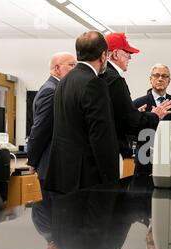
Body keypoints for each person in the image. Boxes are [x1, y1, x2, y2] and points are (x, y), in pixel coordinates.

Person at [44, 31, 119, 194]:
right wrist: (111, 178)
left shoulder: (63, 82)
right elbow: (101, 135)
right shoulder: (94, 83)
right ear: (103, 56)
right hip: (86, 178)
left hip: (62, 175)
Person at [99, 32, 171, 158]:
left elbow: (115, 115)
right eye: (127, 53)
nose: (130, 58)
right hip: (114, 150)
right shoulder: (114, 79)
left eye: (165, 76)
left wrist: (134, 114)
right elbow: (128, 122)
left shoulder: (102, 75)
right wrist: (155, 115)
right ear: (116, 54)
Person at [27, 52, 77, 196]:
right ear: (57, 68)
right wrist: (32, 160)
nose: (76, 69)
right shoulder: (52, 91)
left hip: (54, 167)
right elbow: (40, 130)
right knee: (50, 215)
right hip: (50, 167)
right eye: (72, 65)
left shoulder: (57, 89)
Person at [133, 64, 171, 175]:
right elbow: (132, 133)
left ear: (169, 81)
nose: (160, 79)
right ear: (150, 79)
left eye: (164, 76)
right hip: (145, 158)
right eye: (156, 75)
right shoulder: (138, 103)